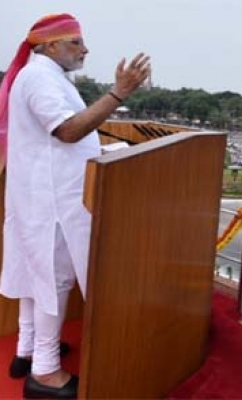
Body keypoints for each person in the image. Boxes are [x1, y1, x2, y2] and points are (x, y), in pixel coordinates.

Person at [0, 13, 150, 399]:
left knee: (39, 278)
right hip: (49, 203)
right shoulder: (39, 78)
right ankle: (45, 372)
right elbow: (67, 131)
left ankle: (28, 351)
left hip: (44, 198)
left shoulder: (45, 76)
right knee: (53, 281)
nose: (85, 50)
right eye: (76, 43)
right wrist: (119, 93)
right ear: (50, 46)